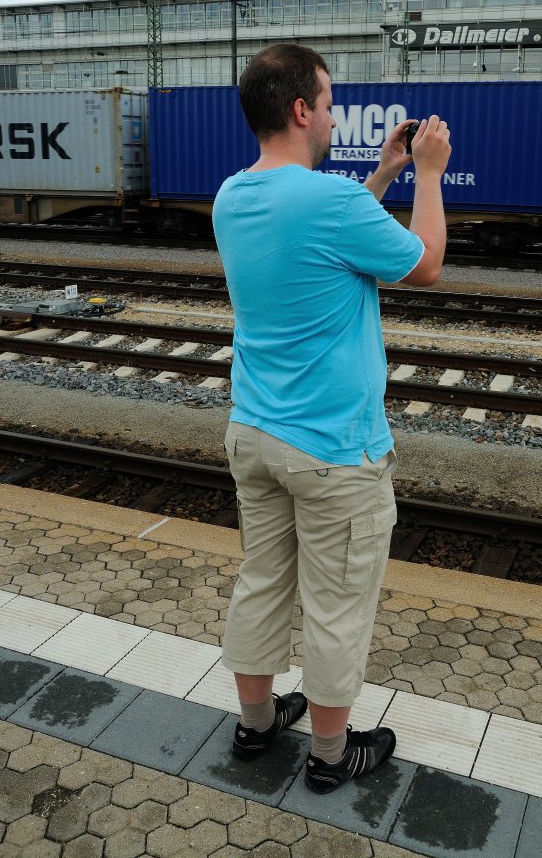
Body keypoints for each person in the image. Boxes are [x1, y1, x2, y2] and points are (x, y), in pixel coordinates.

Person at [212, 43, 451, 794]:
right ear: (301, 110)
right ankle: (327, 754)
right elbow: (426, 263)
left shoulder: (233, 196)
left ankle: (256, 726)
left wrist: (383, 174)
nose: (335, 112)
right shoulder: (329, 204)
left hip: (254, 433)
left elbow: (321, 230)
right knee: (336, 605)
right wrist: (430, 176)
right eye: (329, 98)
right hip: (332, 452)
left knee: (260, 583)